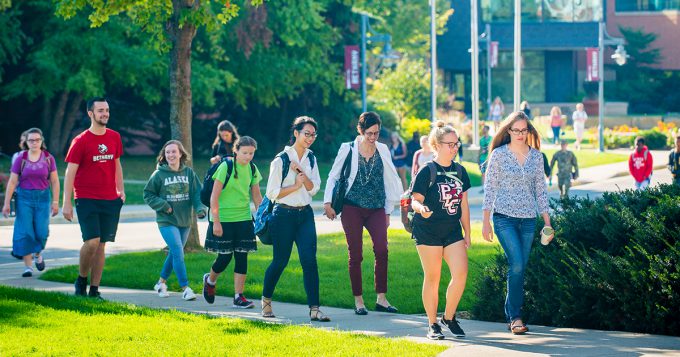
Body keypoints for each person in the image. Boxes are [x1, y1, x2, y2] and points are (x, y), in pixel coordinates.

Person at [323, 112, 403, 315]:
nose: (373, 137)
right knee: (355, 254)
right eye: (369, 133)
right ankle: (359, 301)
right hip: (352, 207)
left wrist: (387, 210)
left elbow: (389, 180)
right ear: (360, 130)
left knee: (382, 251)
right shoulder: (348, 148)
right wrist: (327, 202)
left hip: (376, 207)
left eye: (376, 133)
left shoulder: (383, 149)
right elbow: (333, 176)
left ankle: (381, 299)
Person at [482, 111, 552, 335]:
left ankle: (511, 313)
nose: (520, 134)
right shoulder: (499, 155)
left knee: (520, 267)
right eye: (516, 130)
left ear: (529, 131)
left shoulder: (537, 158)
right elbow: (490, 188)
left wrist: (547, 222)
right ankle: (515, 317)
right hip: (504, 217)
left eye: (524, 130)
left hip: (529, 220)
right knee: (517, 264)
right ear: (508, 131)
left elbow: (541, 191)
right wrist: (485, 222)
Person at [262, 116, 330, 322]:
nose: (310, 138)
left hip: (305, 215)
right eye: (306, 134)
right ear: (296, 133)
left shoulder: (311, 158)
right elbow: (272, 193)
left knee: (310, 261)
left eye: (313, 135)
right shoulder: (280, 159)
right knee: (280, 261)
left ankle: (315, 309)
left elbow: (314, 188)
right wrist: (295, 185)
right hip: (283, 215)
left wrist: (300, 172)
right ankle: (266, 302)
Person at [410, 121, 471, 340]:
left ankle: (449, 316)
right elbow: (414, 201)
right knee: (433, 277)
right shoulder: (427, 171)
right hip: (428, 231)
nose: (455, 148)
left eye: (457, 144)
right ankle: (432, 324)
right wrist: (421, 209)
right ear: (437, 145)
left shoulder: (461, 171)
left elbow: (463, 204)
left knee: (461, 273)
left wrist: (468, 233)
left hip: (452, 231)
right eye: (450, 144)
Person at [63, 97, 125, 299]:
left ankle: (94, 290)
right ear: (90, 113)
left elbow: (116, 164)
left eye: (107, 110)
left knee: (102, 245)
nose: (105, 114)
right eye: (100, 110)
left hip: (109, 198)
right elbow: (70, 173)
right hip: (86, 197)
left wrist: (121, 190)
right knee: (92, 241)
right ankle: (81, 280)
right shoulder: (81, 141)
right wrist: (66, 203)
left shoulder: (114, 137)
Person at [202, 136, 263, 308]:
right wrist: (216, 222)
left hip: (243, 218)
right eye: (245, 153)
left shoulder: (252, 168)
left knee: (242, 257)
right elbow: (214, 196)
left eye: (251, 153)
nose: (248, 156)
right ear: (236, 151)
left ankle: (239, 297)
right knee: (224, 257)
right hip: (224, 218)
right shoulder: (225, 167)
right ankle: (210, 280)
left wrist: (261, 217)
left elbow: (257, 196)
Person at [143, 140, 206, 301]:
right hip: (166, 220)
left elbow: (197, 193)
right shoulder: (158, 175)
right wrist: (163, 205)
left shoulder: (189, 173)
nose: (170, 154)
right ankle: (185, 288)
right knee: (178, 250)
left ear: (180, 154)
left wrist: (199, 209)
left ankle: (160, 283)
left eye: (173, 151)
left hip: (184, 221)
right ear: (164, 155)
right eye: (167, 152)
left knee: (174, 253)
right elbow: (148, 194)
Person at [2, 128, 59, 277]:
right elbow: (13, 181)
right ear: (26, 142)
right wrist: (6, 203)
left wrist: (55, 202)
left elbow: (54, 181)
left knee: (42, 232)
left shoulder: (48, 158)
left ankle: (38, 254)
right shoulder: (21, 158)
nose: (34, 142)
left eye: (37, 140)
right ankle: (28, 267)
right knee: (26, 232)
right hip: (24, 199)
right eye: (31, 140)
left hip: (43, 198)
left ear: (42, 141)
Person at [478, 125, 492, 192]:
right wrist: (478, 159)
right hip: (482, 159)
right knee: (483, 174)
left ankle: (489, 188)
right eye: (483, 129)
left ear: (488, 130)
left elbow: (493, 148)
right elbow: (480, 150)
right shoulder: (481, 139)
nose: (483, 130)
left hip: (489, 158)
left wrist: (487, 150)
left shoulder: (491, 138)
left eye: (485, 129)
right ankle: (483, 188)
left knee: (489, 173)